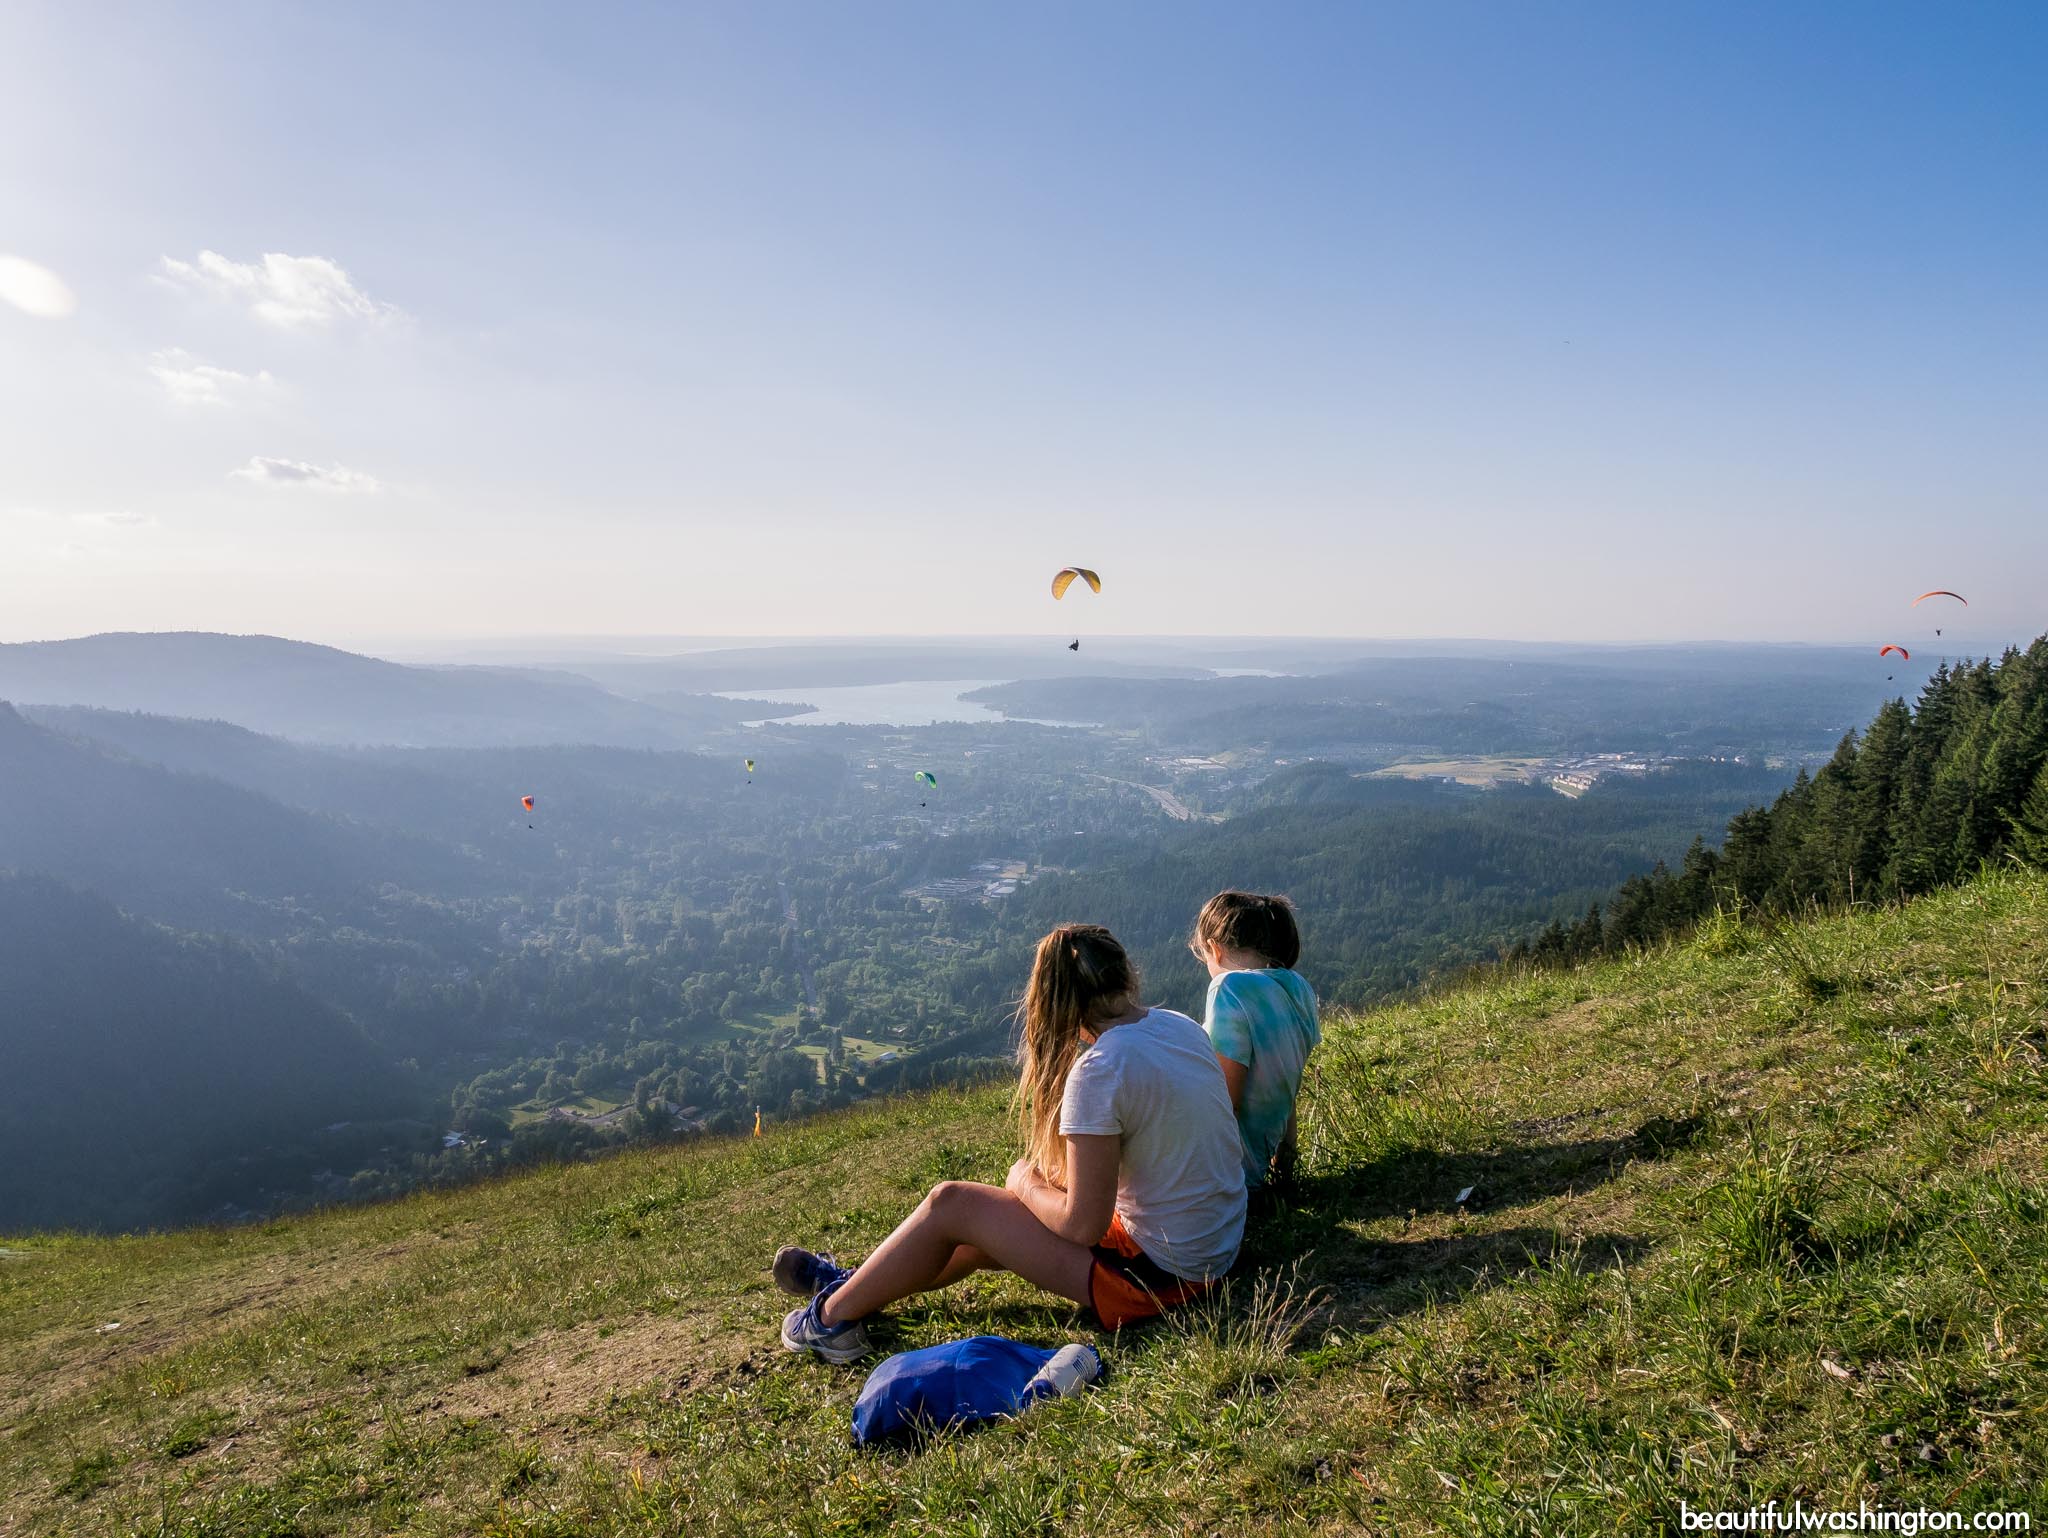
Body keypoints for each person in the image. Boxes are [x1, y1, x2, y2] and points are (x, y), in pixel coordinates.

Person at [774, 923, 1247, 1362]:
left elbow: (1082, 1226)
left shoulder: (1101, 1069)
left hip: (1160, 1278)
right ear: (1125, 974)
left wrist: (1022, 1179)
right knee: (982, 1232)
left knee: (953, 1203)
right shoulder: (1178, 1025)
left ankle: (828, 1323)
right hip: (1213, 1248)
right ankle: (853, 1290)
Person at [1191, 891, 1320, 1189]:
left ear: (1215, 949)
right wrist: (1283, 1166)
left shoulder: (1228, 988)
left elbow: (1226, 1101)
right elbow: (1287, 1090)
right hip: (1256, 1171)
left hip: (1224, 1175)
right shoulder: (1298, 988)